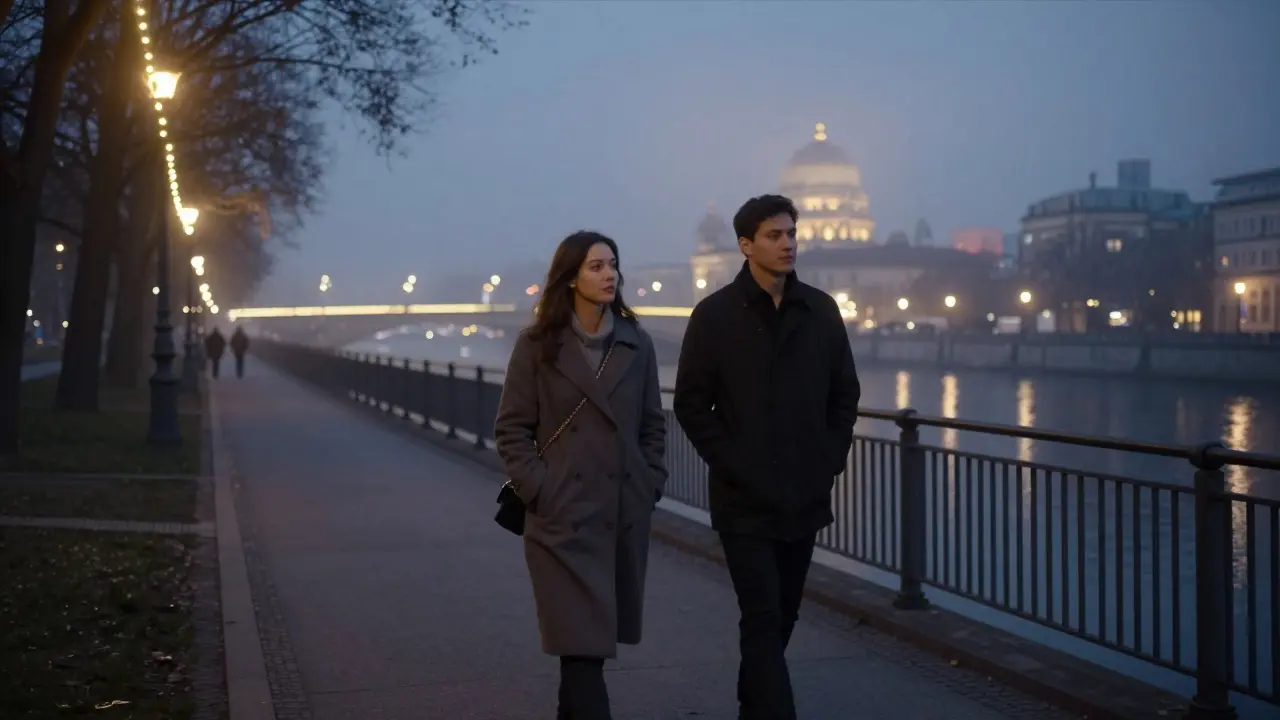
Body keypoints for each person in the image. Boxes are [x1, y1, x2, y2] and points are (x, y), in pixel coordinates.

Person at [673, 194, 860, 720]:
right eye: (775, 236)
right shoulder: (714, 316)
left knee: (783, 617)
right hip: (744, 499)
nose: (788, 244)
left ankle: (752, 706)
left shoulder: (820, 310)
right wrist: (732, 463)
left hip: (804, 493)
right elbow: (691, 403)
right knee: (761, 614)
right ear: (746, 245)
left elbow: (844, 393)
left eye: (791, 234)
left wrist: (829, 459)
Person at [494, 230, 667, 720]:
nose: (609, 274)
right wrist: (541, 489)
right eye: (595, 266)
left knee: (585, 655)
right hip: (561, 523)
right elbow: (511, 430)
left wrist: (649, 484)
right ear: (570, 278)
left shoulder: (637, 344)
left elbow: (653, 425)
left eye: (612, 264)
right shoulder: (537, 346)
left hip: (619, 516)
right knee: (582, 653)